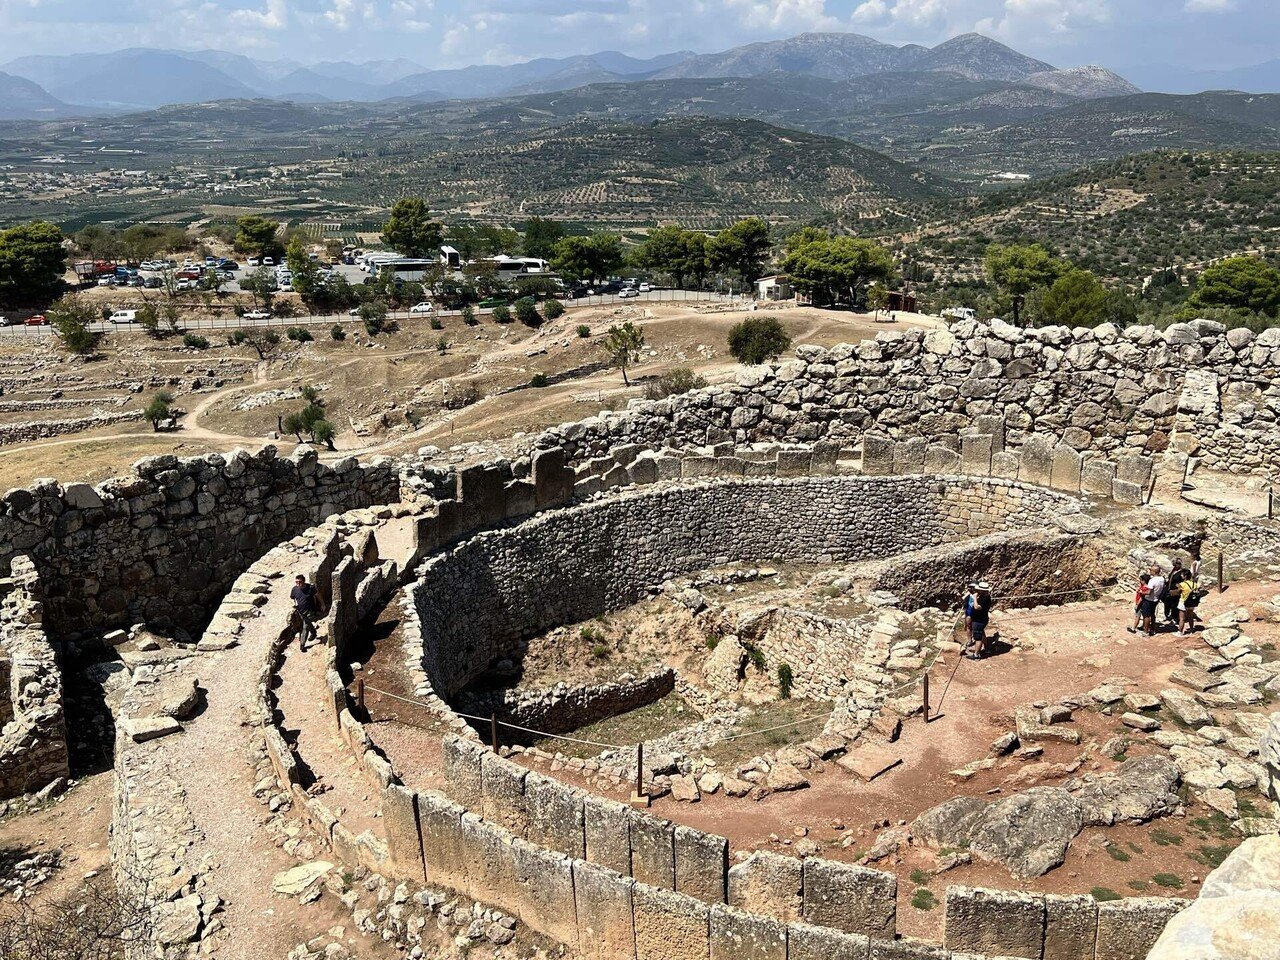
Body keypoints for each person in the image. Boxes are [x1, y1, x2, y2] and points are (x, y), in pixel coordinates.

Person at [290, 574, 323, 650]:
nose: (298, 583)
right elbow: (292, 598)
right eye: (296, 582)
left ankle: (302, 645)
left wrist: (323, 604)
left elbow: (318, 595)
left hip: (310, 611)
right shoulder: (294, 589)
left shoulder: (310, 588)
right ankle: (313, 632)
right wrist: (294, 605)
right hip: (300, 611)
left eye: (300, 582)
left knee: (305, 626)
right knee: (307, 623)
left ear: (304, 581)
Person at [966, 582, 993, 660]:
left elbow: (977, 607)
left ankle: (976, 654)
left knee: (978, 637)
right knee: (981, 633)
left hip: (979, 620)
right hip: (979, 619)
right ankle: (986, 648)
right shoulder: (983, 596)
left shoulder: (986, 598)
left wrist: (974, 598)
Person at [1143, 564, 1166, 636]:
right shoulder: (1162, 579)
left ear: (1154, 572)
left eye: (1151, 570)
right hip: (1156, 599)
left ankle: (1146, 632)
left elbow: (1149, 592)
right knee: (1153, 614)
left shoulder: (1152, 580)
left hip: (1149, 599)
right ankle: (1153, 629)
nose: (1150, 571)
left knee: (1146, 616)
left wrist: (1141, 592)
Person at [1164, 559, 1186, 625]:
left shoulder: (1182, 572)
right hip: (1169, 589)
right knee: (1167, 602)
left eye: (1177, 564)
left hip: (1176, 591)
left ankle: (1175, 618)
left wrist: (1178, 585)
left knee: (1174, 604)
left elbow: (1183, 581)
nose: (1175, 565)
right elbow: (1171, 578)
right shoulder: (1174, 570)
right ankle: (1168, 615)